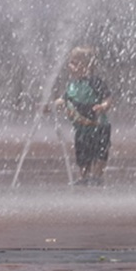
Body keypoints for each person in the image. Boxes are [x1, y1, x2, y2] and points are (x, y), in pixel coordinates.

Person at [50, 46, 112, 186]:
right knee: (82, 153)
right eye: (70, 62)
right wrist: (50, 106)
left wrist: (103, 106)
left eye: (74, 63)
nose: (69, 66)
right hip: (81, 128)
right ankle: (84, 177)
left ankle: (97, 176)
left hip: (99, 125)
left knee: (100, 152)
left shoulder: (95, 82)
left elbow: (108, 98)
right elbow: (64, 100)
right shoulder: (72, 85)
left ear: (86, 65)